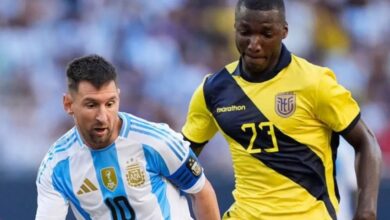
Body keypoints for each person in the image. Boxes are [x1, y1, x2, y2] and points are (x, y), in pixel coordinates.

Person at [181, 0, 382, 219]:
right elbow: (178, 156)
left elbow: (366, 142)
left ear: (284, 31)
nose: (254, 44)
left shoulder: (314, 83)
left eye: (266, 34)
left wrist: (366, 211)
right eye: (245, 32)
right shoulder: (213, 90)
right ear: (235, 29)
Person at [35, 54, 220, 220]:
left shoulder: (157, 141)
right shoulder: (56, 166)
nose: (102, 116)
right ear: (68, 104)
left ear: (118, 98)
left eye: (110, 104)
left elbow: (201, 191)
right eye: (91, 105)